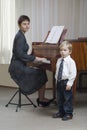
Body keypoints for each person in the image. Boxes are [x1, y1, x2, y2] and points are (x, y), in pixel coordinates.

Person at [8, 15, 53, 107]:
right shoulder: (20, 36)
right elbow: (20, 54)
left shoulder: (21, 35)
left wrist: (35, 61)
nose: (27, 26)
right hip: (17, 67)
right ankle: (41, 99)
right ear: (19, 25)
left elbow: (22, 55)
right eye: (24, 24)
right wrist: (37, 59)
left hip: (18, 65)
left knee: (41, 70)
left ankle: (41, 98)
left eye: (28, 24)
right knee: (41, 73)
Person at [52, 41, 77, 121]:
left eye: (65, 50)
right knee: (60, 98)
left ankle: (69, 113)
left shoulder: (71, 62)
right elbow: (57, 71)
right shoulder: (59, 60)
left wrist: (69, 83)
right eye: (61, 50)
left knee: (67, 98)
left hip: (66, 82)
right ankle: (61, 112)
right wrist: (57, 80)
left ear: (70, 52)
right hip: (59, 82)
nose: (62, 52)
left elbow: (73, 73)